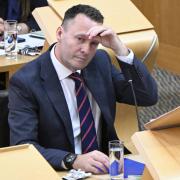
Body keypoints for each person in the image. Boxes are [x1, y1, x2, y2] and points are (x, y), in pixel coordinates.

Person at [8, 4, 158, 174]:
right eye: (80, 39)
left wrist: (120, 49)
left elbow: (147, 96)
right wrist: (74, 160)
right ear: (59, 34)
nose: (86, 50)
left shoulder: (99, 62)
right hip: (61, 170)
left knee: (160, 174)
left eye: (93, 43)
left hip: (107, 167)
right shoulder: (25, 81)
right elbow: (24, 147)